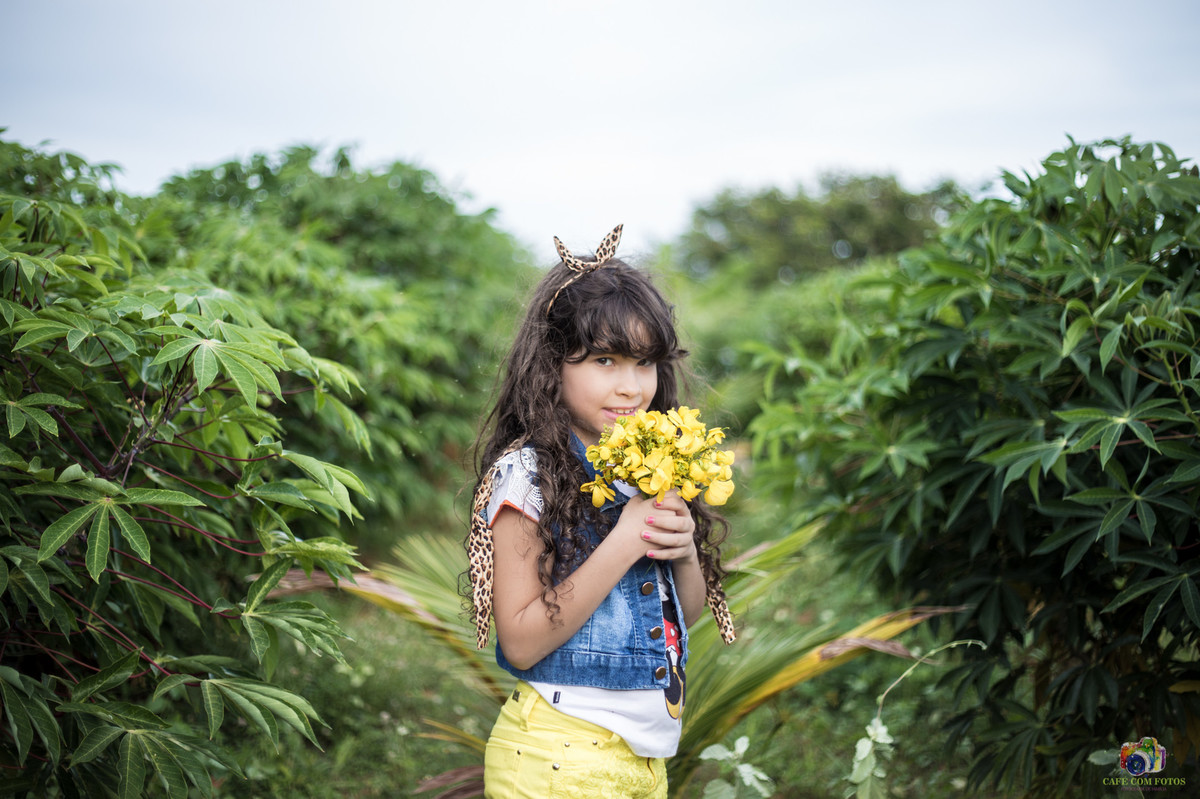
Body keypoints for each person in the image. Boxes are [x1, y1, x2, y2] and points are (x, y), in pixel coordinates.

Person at [465, 224, 736, 798]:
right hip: (560, 756)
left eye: (645, 363)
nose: (631, 388)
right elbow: (519, 640)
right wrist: (623, 540)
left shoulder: (647, 463)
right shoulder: (528, 474)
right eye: (605, 361)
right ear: (552, 366)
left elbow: (676, 619)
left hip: (641, 763)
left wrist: (683, 550)